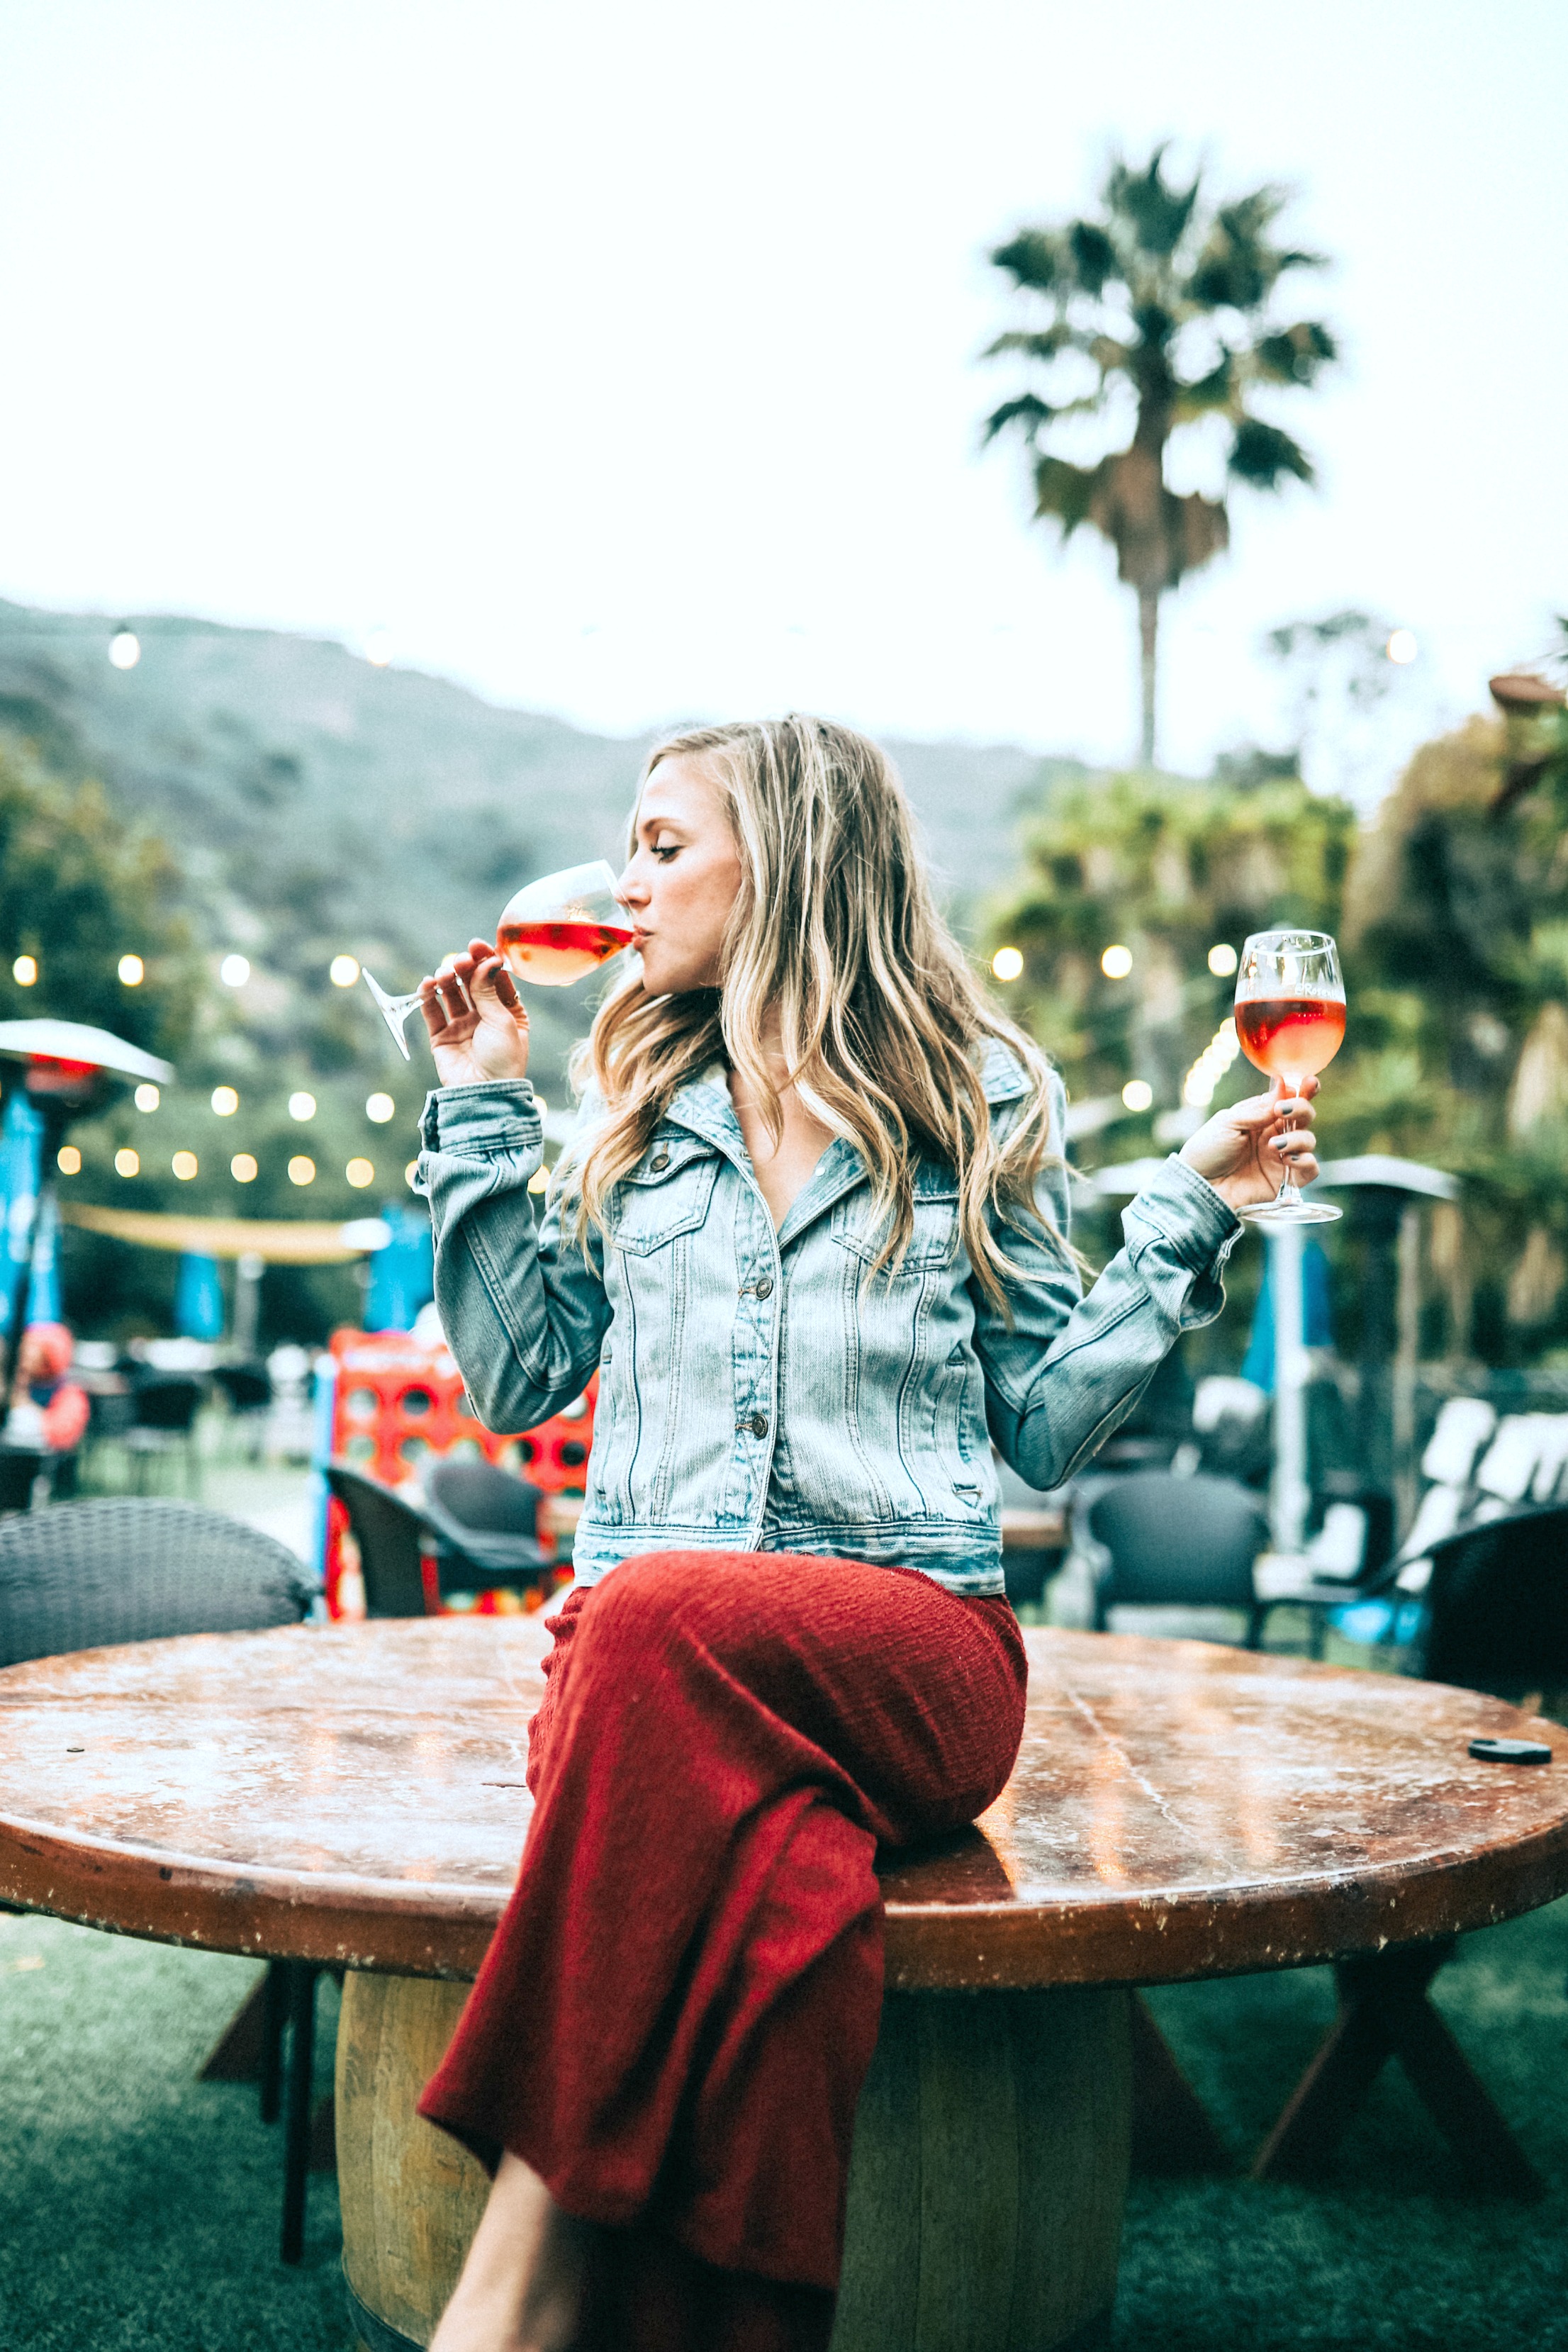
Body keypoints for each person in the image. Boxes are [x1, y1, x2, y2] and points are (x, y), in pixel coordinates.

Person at [410, 716, 1319, 2352]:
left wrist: (1189, 1208)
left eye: (663, 845)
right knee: (777, 1895)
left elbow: (1040, 1423)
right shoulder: (628, 1096)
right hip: (651, 1688)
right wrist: (481, 1105)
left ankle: (516, 2278)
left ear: (788, 859)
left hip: (912, 1654)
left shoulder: (971, 1095)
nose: (627, 880)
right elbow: (517, 1373)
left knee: (643, 1617)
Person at [6, 1321, 89, 1455]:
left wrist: (21, 1402)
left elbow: (60, 1436)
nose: (23, 1356)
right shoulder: (11, 1382)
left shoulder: (68, 1393)